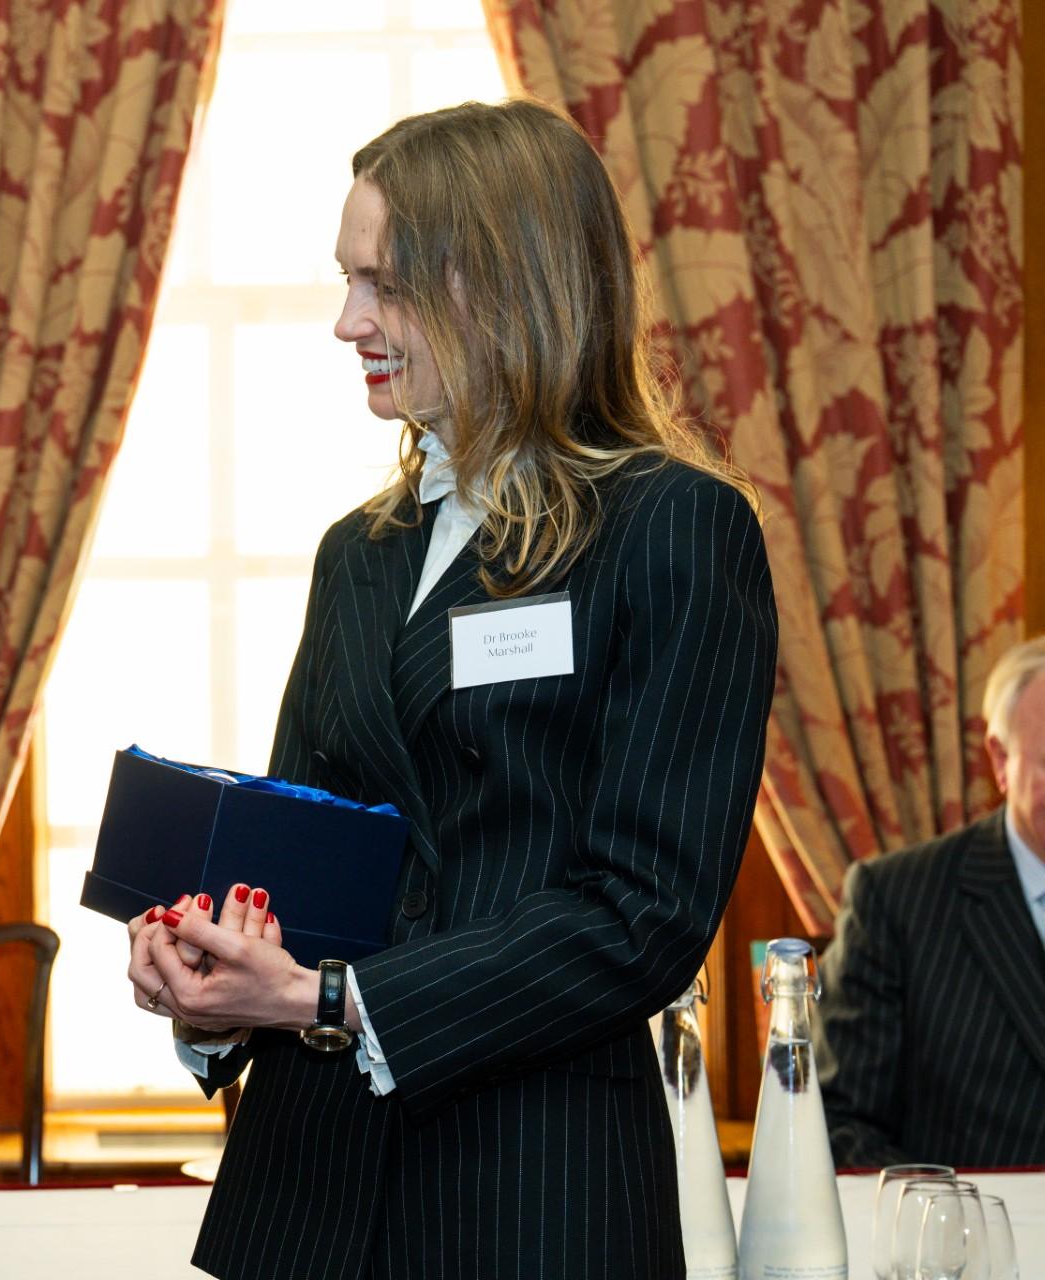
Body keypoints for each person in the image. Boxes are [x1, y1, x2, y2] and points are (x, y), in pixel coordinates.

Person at [123, 99, 779, 1279]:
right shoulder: (356, 552)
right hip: (307, 1202)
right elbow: (303, 864)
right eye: (345, 278)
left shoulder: (675, 528)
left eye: (379, 283)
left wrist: (335, 1000)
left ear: (500, 283)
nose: (345, 321)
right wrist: (216, 984)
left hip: (535, 1197)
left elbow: (644, 917)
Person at [815, 635, 1045, 1168]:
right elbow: (838, 1123)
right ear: (1000, 760)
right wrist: (942, 1223)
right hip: (962, 1244)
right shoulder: (899, 902)